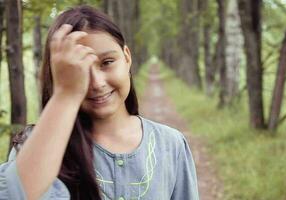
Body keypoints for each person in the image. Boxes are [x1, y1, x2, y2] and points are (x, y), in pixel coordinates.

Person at [0, 5, 199, 200]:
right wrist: (66, 95)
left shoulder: (171, 143)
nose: (97, 83)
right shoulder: (35, 147)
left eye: (107, 62)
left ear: (127, 57)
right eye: (81, 70)